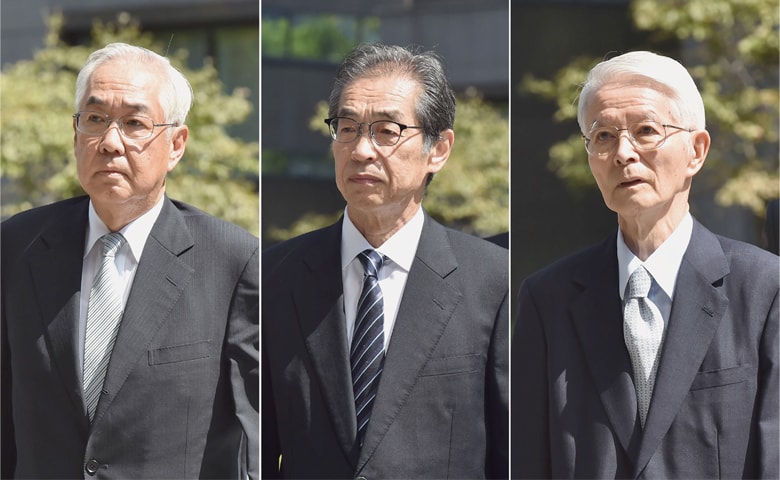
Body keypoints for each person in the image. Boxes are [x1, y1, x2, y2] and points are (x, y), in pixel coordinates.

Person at [511, 51, 778, 479]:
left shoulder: (764, 289)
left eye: (646, 131)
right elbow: (527, 459)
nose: (623, 154)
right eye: (602, 137)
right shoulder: (548, 299)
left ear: (696, 150)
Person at [0, 42, 258, 478]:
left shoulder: (231, 261)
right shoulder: (17, 246)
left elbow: (253, 434)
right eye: (95, 120)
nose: (110, 142)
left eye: (135, 123)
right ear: (75, 132)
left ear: (176, 144)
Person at [262, 43, 509, 479]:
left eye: (387, 131)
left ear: (439, 149)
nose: (361, 150)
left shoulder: (494, 282)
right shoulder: (274, 277)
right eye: (347, 127)